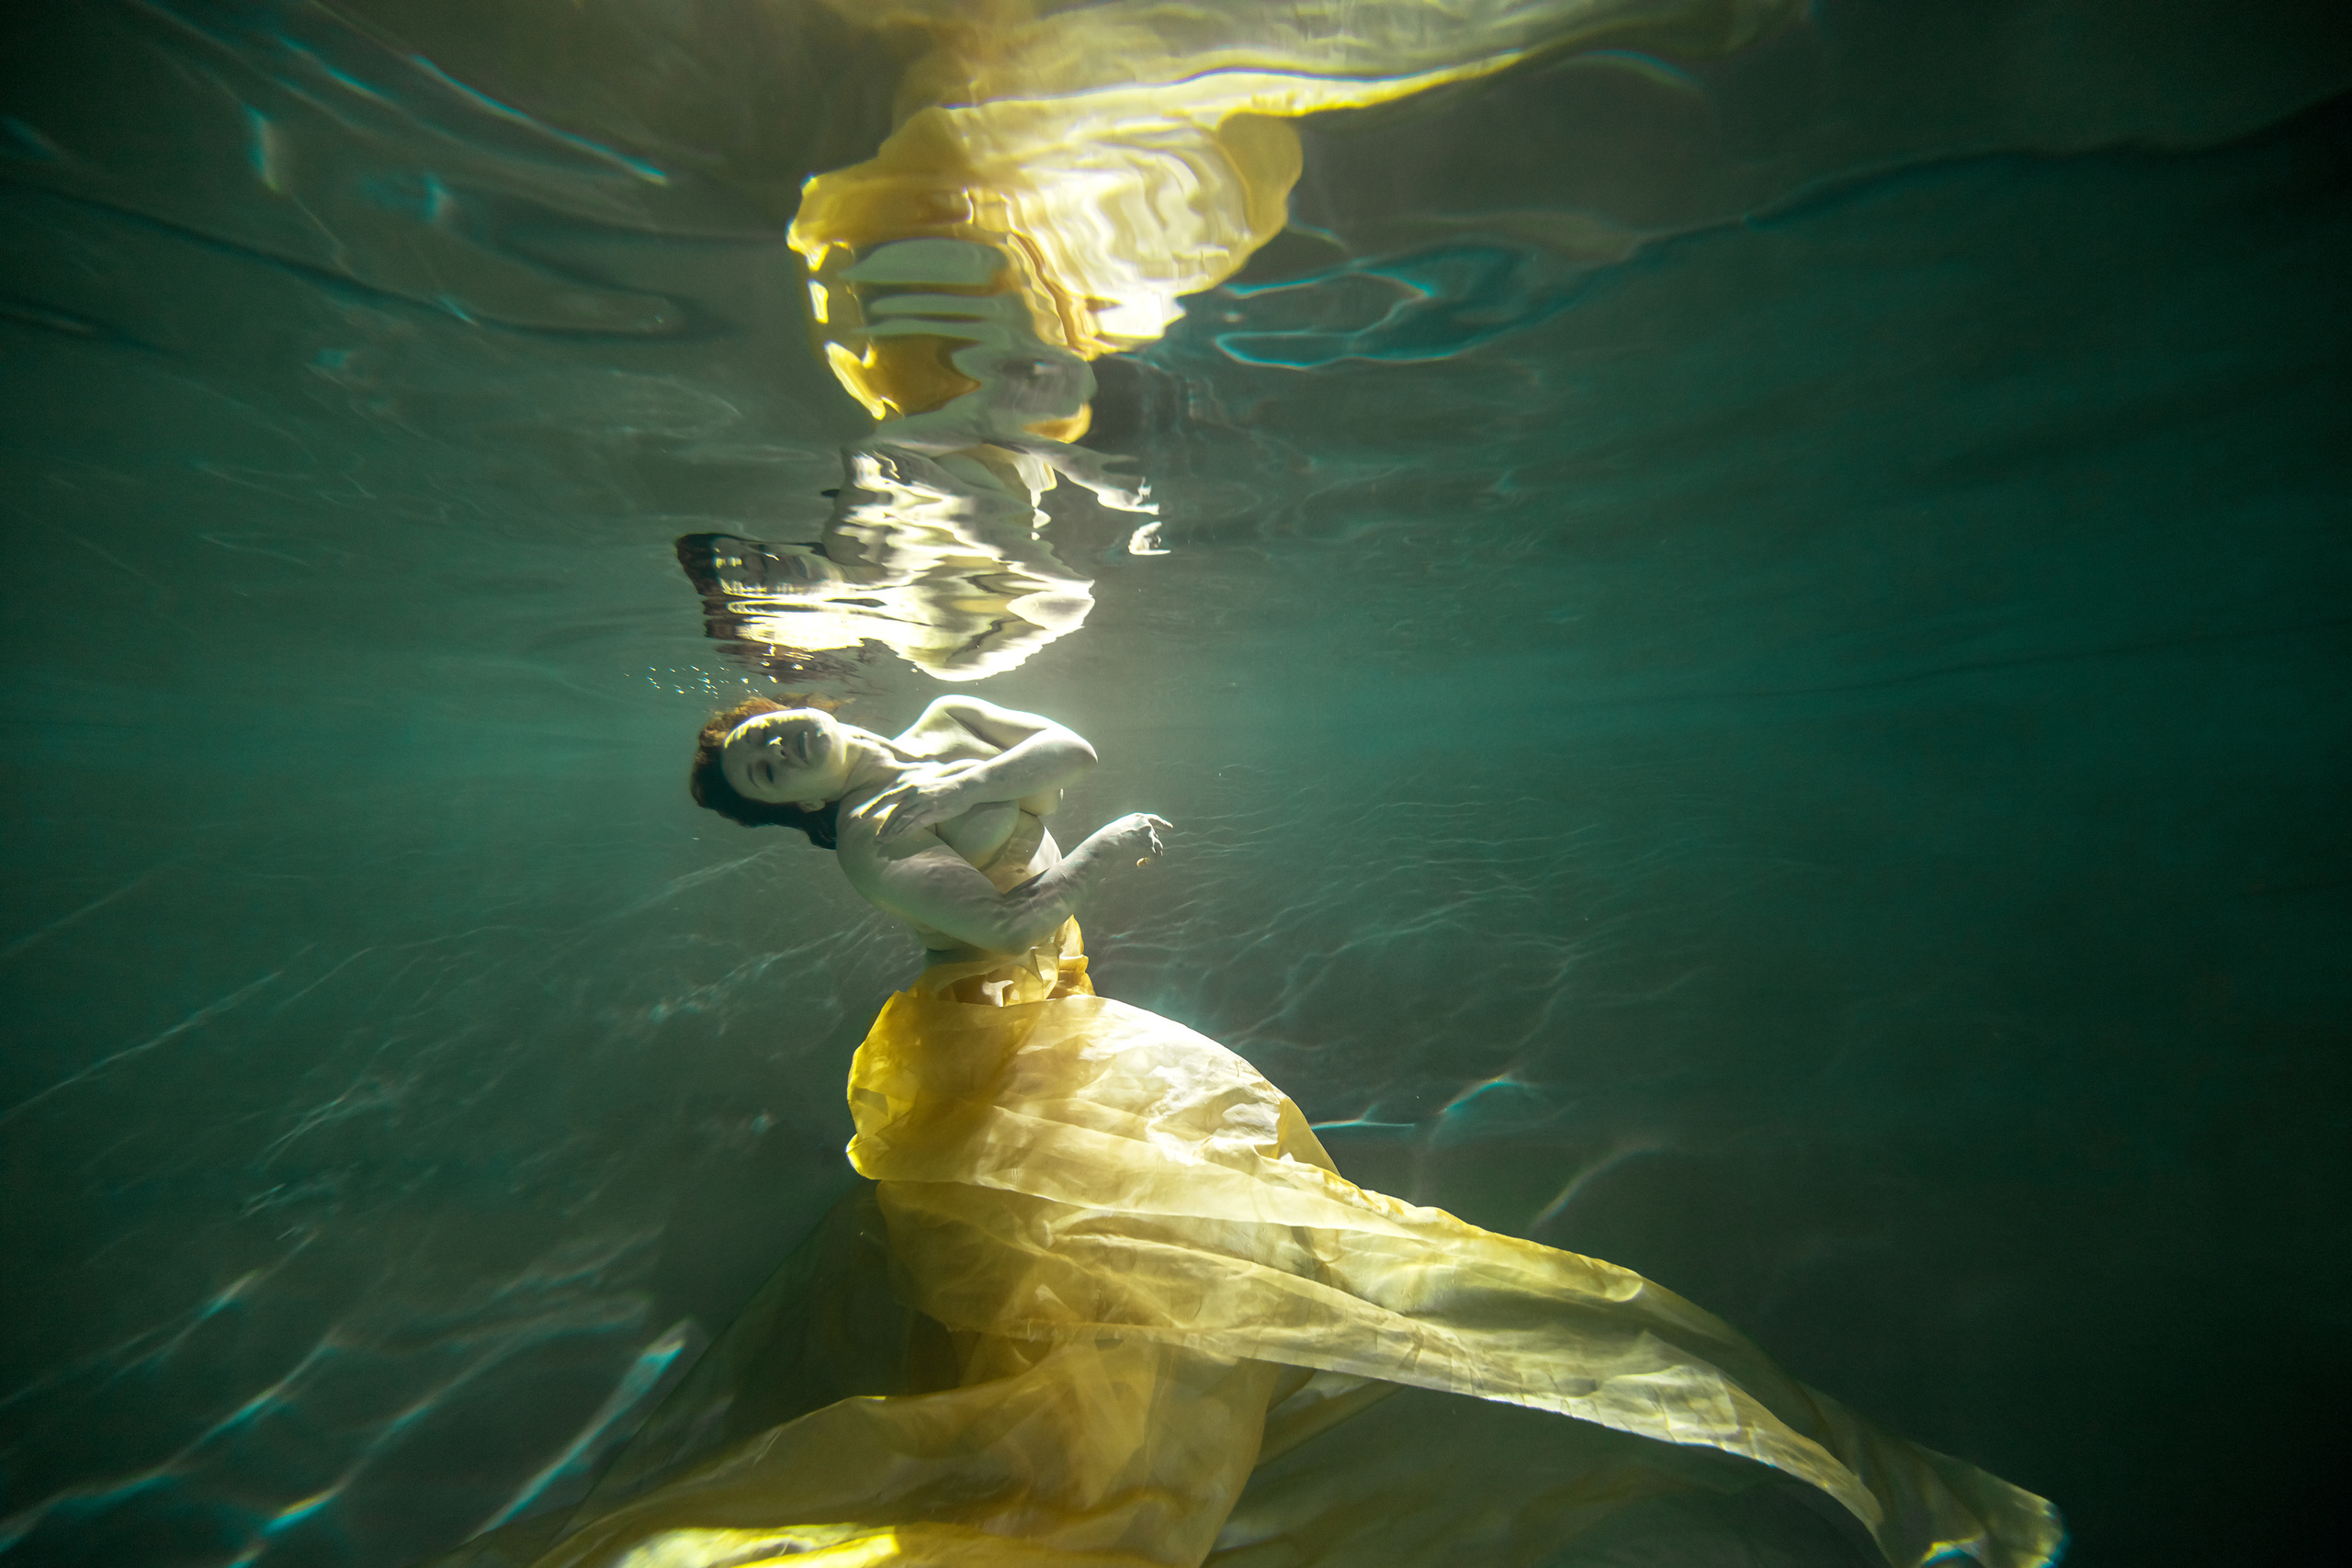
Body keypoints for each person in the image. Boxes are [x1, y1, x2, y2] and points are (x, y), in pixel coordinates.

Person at [439, 697, 2064, 1568]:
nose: (791, 754)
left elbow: (1067, 750)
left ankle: (1152, 1430)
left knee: (1164, 1237)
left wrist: (983, 766)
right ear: (790, 810)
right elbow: (1029, 908)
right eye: (767, 772)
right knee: (1142, 1243)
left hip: (1061, 1017)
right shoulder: (875, 843)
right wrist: (1007, 813)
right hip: (997, 1037)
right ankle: (1095, 1485)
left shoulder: (928, 736)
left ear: (800, 703)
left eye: (776, 729)